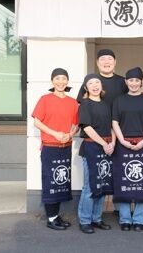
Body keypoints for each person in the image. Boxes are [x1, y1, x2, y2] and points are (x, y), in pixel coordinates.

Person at [77, 48, 127, 215]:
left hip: (117, 136)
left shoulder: (122, 82)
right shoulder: (92, 81)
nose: (106, 62)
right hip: (96, 140)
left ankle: (118, 210)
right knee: (93, 182)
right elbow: (82, 112)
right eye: (103, 59)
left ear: (115, 62)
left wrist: (113, 140)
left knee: (115, 176)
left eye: (110, 59)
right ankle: (86, 218)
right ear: (97, 63)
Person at [32, 68, 79, 230]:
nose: (60, 82)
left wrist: (69, 134)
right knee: (50, 181)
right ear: (52, 81)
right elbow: (37, 122)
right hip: (50, 147)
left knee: (61, 181)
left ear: (67, 81)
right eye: (57, 78)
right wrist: (56, 134)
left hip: (65, 146)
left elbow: (76, 124)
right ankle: (51, 218)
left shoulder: (72, 102)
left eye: (64, 78)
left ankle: (55, 216)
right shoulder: (45, 99)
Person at [112, 67, 143, 232]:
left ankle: (139, 218)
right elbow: (114, 122)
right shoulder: (119, 100)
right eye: (131, 80)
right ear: (126, 82)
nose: (134, 83)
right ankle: (125, 218)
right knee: (124, 181)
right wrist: (122, 140)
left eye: (137, 80)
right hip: (123, 145)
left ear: (141, 82)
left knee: (141, 182)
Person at [77, 74, 116, 234]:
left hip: (107, 147)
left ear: (101, 86)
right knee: (90, 186)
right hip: (93, 147)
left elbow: (112, 126)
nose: (95, 85)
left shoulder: (107, 105)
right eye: (91, 83)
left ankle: (96, 218)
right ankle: (85, 220)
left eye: (97, 82)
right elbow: (87, 128)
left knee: (103, 184)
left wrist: (113, 142)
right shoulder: (85, 104)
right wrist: (104, 143)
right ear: (86, 88)